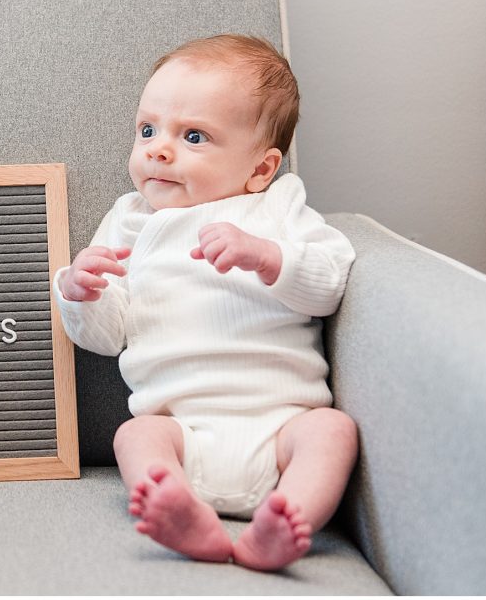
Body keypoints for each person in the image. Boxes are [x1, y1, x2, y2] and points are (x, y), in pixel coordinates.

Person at [53, 35, 357, 571]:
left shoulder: (277, 210)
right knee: (136, 435)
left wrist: (268, 257)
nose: (158, 149)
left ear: (261, 169)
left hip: (282, 426)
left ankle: (289, 521)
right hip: (181, 430)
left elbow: (330, 284)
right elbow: (108, 336)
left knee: (332, 432)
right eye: (147, 130)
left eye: (193, 136)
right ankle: (180, 508)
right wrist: (82, 293)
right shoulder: (131, 221)